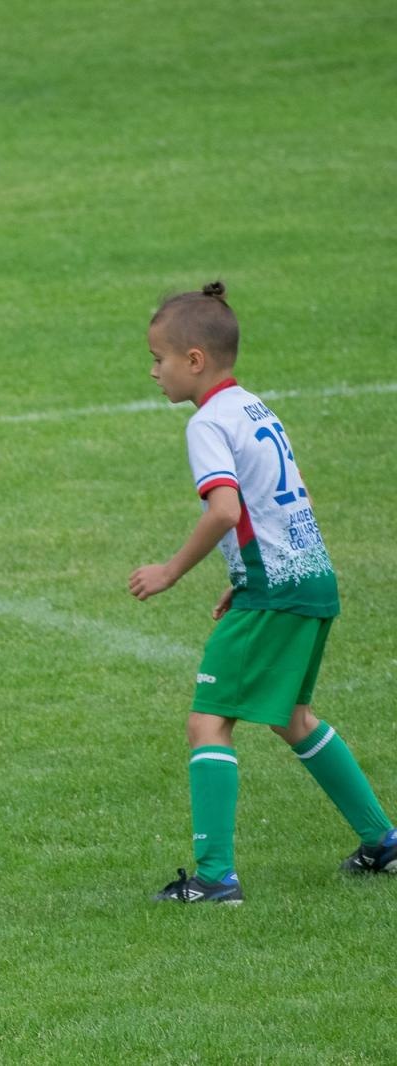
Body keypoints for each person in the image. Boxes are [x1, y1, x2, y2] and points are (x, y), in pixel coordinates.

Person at [129, 280, 396, 903]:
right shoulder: (255, 408)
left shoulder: (206, 424)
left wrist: (170, 571)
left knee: (208, 722)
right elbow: (271, 504)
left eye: (158, 358)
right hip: (307, 579)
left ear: (193, 360)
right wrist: (241, 578)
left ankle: (215, 877)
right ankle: (383, 841)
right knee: (294, 719)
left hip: (277, 589)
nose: (153, 372)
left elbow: (225, 510)